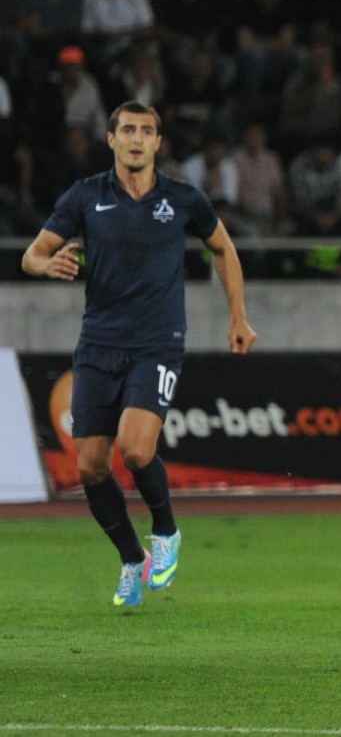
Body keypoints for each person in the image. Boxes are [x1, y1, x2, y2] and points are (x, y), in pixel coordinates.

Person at [21, 101, 257, 608]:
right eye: (127, 130)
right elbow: (32, 254)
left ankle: (166, 530)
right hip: (98, 344)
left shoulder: (183, 198)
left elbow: (223, 248)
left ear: (157, 142)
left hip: (157, 341)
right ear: (111, 139)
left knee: (134, 447)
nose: (136, 138)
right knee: (90, 466)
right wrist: (47, 264)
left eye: (146, 131)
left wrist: (237, 315)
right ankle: (132, 559)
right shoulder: (85, 196)